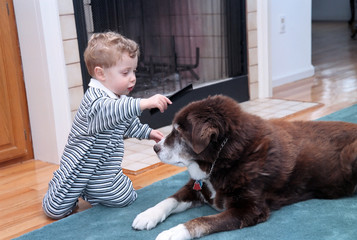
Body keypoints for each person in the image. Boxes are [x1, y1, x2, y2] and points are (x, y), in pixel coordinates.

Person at [42, 32, 172, 219]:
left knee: (125, 196)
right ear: (100, 74)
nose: (133, 78)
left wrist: (148, 132)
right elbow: (112, 110)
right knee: (54, 210)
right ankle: (63, 184)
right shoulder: (95, 101)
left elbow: (126, 122)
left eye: (134, 71)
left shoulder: (118, 99)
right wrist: (143, 103)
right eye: (125, 72)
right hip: (79, 167)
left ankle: (91, 190)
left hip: (104, 169)